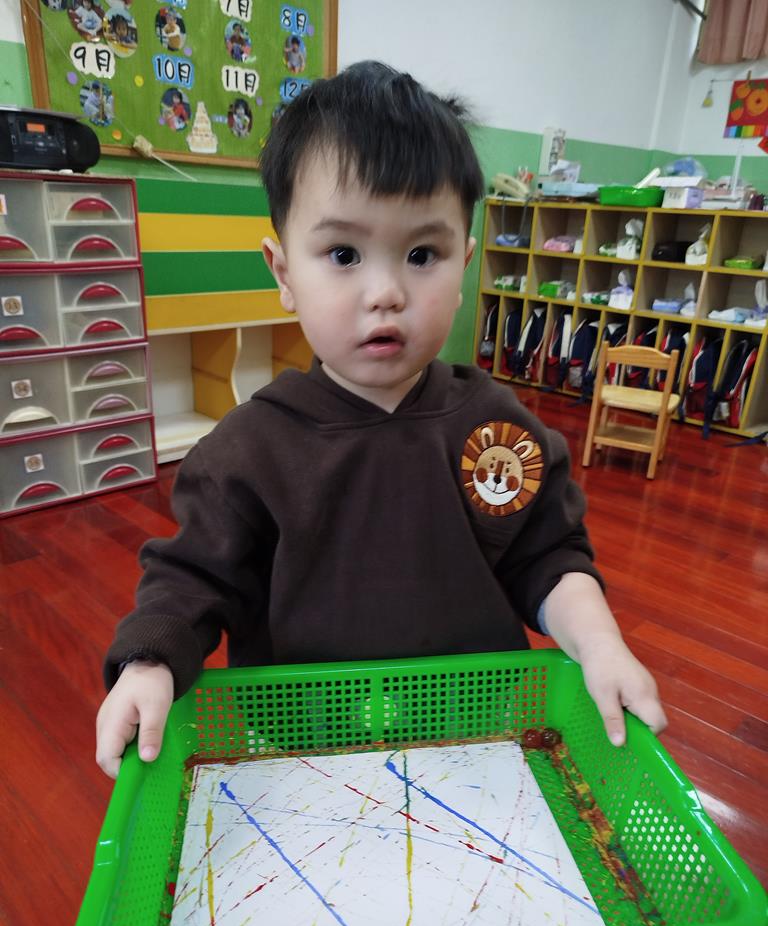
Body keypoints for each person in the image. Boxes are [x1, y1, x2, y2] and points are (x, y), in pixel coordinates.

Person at [96, 61, 667, 778]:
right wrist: (150, 663)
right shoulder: (245, 453)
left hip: (479, 741)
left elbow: (548, 560)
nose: (386, 292)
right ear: (283, 273)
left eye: (422, 254)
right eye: (343, 254)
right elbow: (191, 581)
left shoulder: (498, 429)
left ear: (464, 264)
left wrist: (602, 644)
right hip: (303, 755)